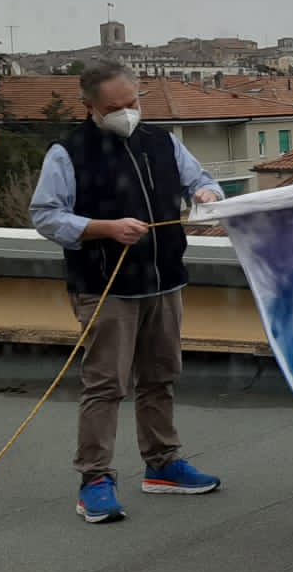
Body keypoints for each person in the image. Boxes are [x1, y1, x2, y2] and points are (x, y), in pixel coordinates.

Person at [29, 63, 225, 523]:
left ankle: (162, 464)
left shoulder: (162, 142)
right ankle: (94, 479)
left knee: (160, 376)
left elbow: (202, 181)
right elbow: (46, 215)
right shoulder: (68, 152)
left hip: (165, 280)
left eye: (132, 103)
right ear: (90, 107)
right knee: (106, 385)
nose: (126, 113)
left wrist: (208, 195)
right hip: (106, 287)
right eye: (114, 107)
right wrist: (105, 228)